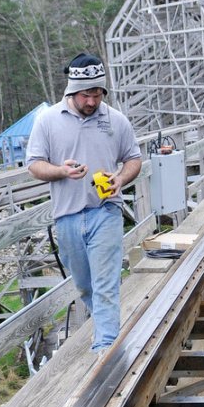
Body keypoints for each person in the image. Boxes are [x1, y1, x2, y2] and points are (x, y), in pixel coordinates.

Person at [25, 51, 142, 354]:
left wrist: (120, 178)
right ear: (72, 91)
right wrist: (61, 171)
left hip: (105, 211)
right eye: (87, 95)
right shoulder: (47, 120)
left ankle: (105, 348)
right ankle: (105, 329)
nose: (92, 101)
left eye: (98, 94)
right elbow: (35, 164)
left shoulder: (116, 120)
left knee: (105, 284)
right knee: (85, 286)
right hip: (67, 216)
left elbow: (133, 159)